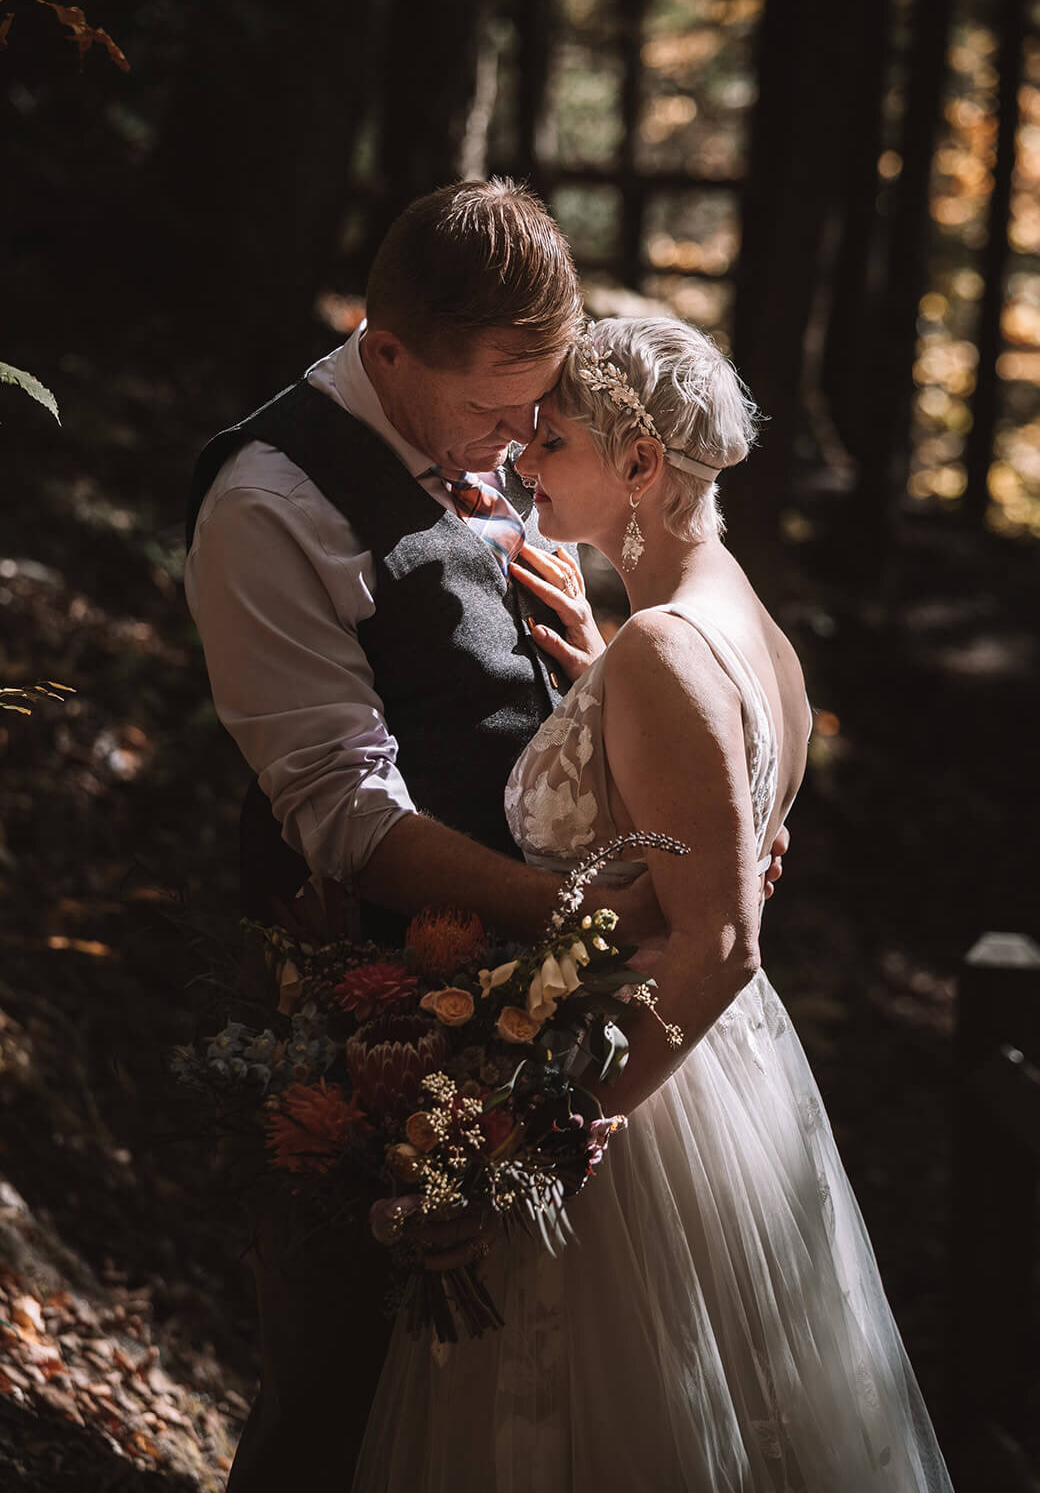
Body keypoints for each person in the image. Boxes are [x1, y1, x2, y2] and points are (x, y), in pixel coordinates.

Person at [185, 177, 790, 1491]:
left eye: (543, 411)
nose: (523, 446)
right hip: (380, 1009)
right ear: (386, 348)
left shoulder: (506, 444)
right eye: (495, 409)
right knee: (341, 1398)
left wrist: (649, 754)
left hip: (556, 1023)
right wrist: (589, 912)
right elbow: (342, 807)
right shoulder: (269, 504)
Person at [352, 317, 954, 1492]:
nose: (526, 464)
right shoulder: (752, 635)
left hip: (634, 1091)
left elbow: (720, 941)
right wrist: (598, 684)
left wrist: (534, 1137)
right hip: (727, 1082)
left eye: (556, 440)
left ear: (639, 465)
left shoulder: (666, 652)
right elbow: (684, 824)